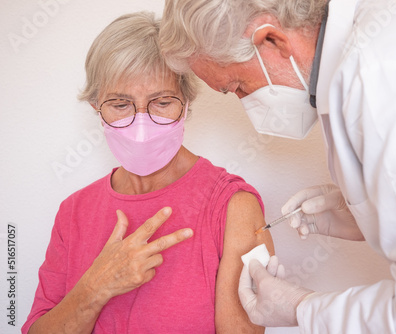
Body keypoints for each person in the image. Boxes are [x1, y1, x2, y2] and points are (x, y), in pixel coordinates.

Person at [159, 0, 396, 332]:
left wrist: (302, 308)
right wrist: (369, 213)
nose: (245, 102)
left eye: (236, 86)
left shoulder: (383, 76)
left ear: (273, 40)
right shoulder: (374, 52)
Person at [22, 12, 273, 334]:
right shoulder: (73, 212)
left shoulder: (232, 206)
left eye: (162, 102)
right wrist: (95, 287)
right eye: (120, 104)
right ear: (96, 107)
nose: (142, 125)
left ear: (186, 102)